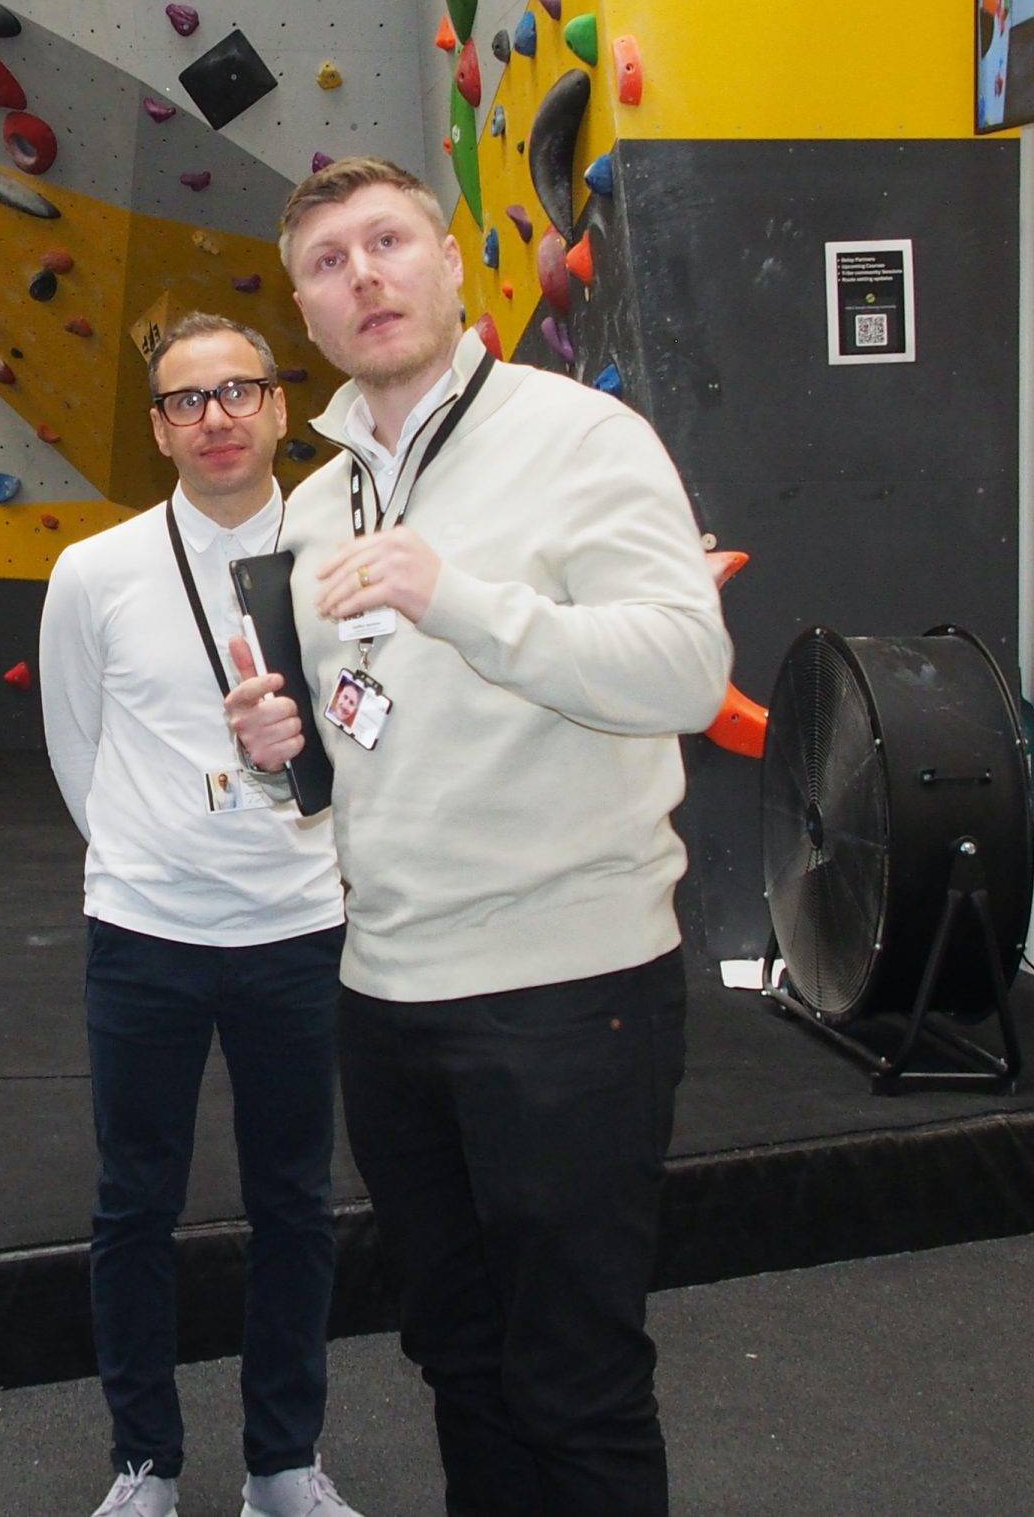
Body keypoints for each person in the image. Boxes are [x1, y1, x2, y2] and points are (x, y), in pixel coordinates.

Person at [225, 157, 731, 1517]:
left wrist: (466, 600)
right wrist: (293, 762)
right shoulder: (319, 505)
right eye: (329, 262)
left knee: (576, 1375)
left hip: (568, 992)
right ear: (305, 314)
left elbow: (687, 670)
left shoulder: (582, 438)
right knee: (458, 1357)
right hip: (386, 998)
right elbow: (363, 753)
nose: (366, 276)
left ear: (451, 266)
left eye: (389, 242)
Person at [40, 313, 364, 1517]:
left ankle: (283, 1460)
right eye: (187, 399)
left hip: (300, 925)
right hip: (146, 934)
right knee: (135, 1203)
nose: (217, 416)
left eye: (239, 391)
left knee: (294, 1199)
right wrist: (153, 848)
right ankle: (144, 1462)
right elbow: (76, 748)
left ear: (282, 406)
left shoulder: (342, 561)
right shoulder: (97, 571)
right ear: (159, 428)